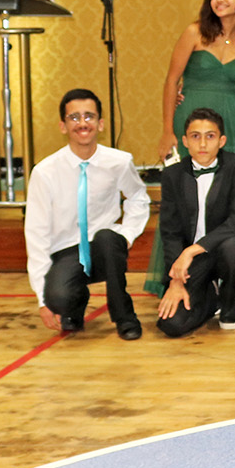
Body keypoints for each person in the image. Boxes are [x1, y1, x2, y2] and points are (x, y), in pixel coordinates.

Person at [24, 89, 150, 340]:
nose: (82, 123)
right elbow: (36, 233)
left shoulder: (119, 161)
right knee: (57, 297)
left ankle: (125, 318)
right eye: (74, 117)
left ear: (100, 124)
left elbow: (138, 197)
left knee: (107, 238)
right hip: (66, 252)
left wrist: (127, 235)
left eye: (89, 116)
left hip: (104, 248)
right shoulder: (44, 172)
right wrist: (42, 299)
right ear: (62, 126)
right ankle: (74, 303)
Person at [154, 108, 235, 338]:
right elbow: (170, 232)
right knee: (172, 325)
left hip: (224, 250)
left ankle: (228, 299)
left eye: (210, 136)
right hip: (191, 262)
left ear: (222, 141)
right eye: (195, 136)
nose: (202, 144)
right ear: (185, 141)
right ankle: (209, 298)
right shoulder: (173, 175)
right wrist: (176, 280)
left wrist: (193, 250)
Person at [157, 0, 235, 165]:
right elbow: (171, 81)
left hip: (230, 119)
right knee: (188, 175)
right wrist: (167, 131)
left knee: (228, 176)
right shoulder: (194, 32)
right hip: (191, 111)